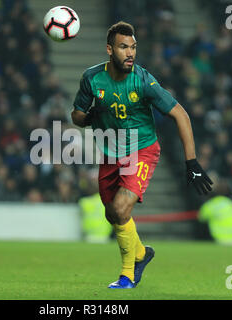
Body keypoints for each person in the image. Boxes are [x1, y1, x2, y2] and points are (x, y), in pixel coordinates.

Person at [71, 21, 213, 289]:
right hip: (110, 153)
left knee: (122, 208)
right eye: (124, 47)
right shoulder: (91, 78)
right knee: (113, 214)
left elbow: (180, 115)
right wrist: (89, 116)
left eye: (133, 47)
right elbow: (76, 115)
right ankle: (141, 254)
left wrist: (191, 162)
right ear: (109, 50)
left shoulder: (144, 80)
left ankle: (127, 275)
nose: (130, 53)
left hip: (142, 150)